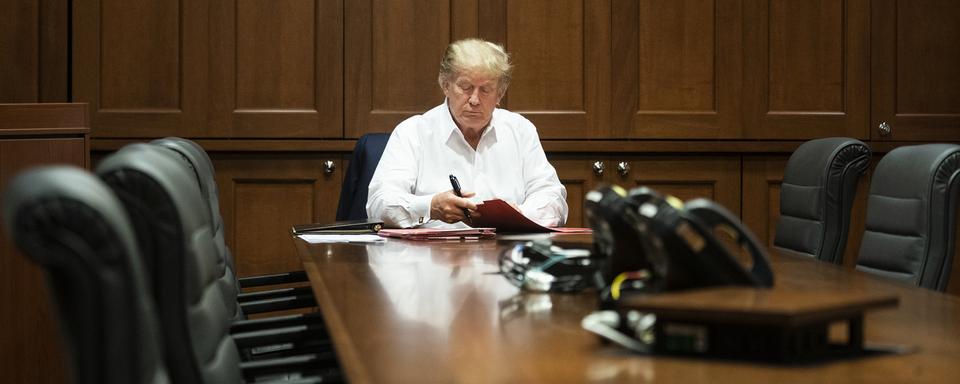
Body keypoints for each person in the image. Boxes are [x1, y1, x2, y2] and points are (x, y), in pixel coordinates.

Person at [366, 38, 568, 229]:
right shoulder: (413, 132)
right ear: (445, 85)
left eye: (486, 90)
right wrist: (430, 206)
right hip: (432, 258)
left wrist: (520, 214)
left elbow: (553, 197)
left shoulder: (520, 130)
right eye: (465, 87)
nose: (474, 99)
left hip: (504, 254)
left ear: (500, 93)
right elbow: (379, 204)